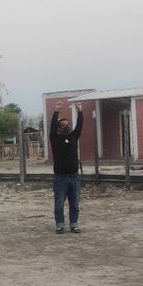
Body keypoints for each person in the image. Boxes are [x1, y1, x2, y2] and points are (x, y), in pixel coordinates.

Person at [49, 100, 84, 234]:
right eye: (62, 125)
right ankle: (59, 225)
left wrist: (80, 111)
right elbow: (52, 126)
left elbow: (79, 125)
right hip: (60, 178)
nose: (66, 126)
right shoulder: (55, 138)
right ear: (58, 128)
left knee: (74, 203)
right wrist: (56, 110)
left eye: (67, 124)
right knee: (59, 204)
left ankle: (74, 225)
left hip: (74, 178)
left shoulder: (74, 136)